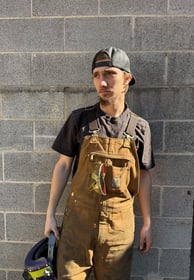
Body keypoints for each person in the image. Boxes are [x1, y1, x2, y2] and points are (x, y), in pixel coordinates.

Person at [44, 46, 155, 280]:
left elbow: (143, 175)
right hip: (77, 228)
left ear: (127, 79)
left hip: (119, 232)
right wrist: (50, 214)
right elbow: (63, 165)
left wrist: (147, 222)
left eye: (109, 74)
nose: (101, 82)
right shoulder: (80, 119)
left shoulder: (139, 128)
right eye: (96, 75)